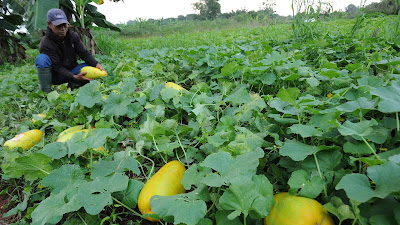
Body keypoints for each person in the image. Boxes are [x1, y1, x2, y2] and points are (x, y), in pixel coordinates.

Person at [35, 8, 107, 93]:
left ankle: (74, 85)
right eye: (58, 26)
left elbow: (84, 53)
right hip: (56, 76)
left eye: (64, 25)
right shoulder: (46, 42)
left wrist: (96, 64)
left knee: (90, 67)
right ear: (49, 24)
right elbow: (57, 67)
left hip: (72, 70)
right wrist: (73, 77)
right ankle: (46, 93)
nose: (63, 28)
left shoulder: (73, 36)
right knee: (41, 59)